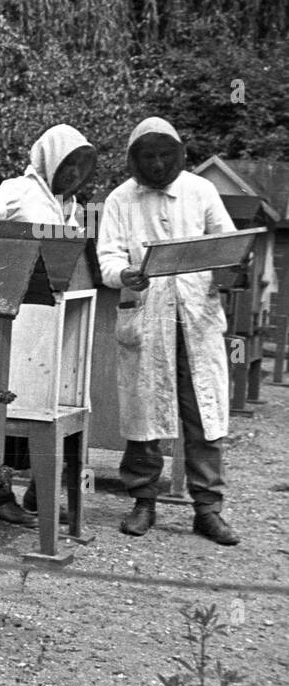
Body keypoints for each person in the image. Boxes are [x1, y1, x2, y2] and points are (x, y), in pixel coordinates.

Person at [95, 117, 239, 545]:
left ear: (178, 154)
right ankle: (143, 501)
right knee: (145, 413)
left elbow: (228, 243)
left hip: (197, 319)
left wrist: (227, 269)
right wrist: (125, 273)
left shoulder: (201, 191)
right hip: (148, 318)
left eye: (164, 155)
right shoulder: (121, 199)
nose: (157, 164)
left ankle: (207, 508)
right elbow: (107, 256)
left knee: (204, 414)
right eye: (148, 156)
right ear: (134, 159)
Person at [0, 124, 97, 525]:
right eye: (66, 164)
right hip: (15, 322)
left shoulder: (69, 207)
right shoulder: (18, 190)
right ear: (47, 159)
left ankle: (36, 494)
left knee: (45, 408)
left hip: (49, 327)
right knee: (3, 406)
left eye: (79, 167)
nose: (72, 174)